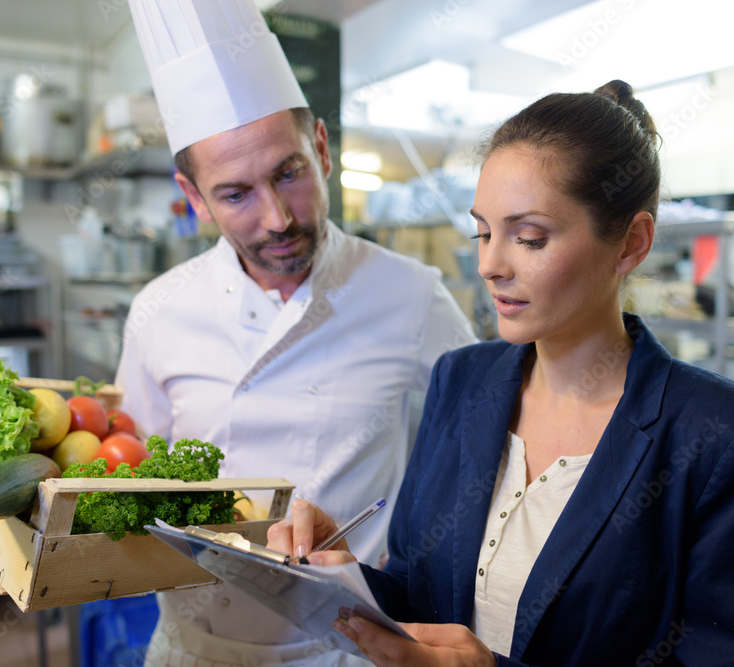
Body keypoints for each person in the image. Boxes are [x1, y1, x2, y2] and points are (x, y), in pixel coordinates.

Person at [268, 80, 734, 666]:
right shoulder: (460, 381)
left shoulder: (727, 439)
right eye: (484, 232)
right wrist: (344, 576)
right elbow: (420, 590)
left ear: (631, 244)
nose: (490, 265)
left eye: (529, 238)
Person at [117, 1, 475, 664]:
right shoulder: (159, 311)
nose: (278, 217)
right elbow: (128, 476)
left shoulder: (412, 295)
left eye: (288, 174)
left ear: (320, 148)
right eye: (235, 194)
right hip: (193, 650)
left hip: (339, 651)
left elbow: (488, 445)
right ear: (193, 198)